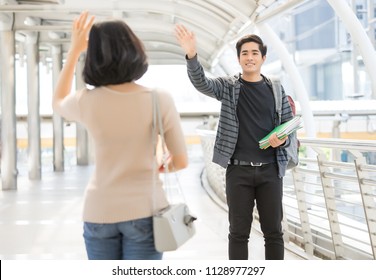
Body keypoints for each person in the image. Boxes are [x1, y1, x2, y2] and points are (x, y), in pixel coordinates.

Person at [52, 11, 188, 260]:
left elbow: (58, 101)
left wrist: (74, 51)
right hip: (145, 211)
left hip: (98, 211)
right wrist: (156, 167)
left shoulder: (86, 101)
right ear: (135, 50)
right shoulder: (160, 99)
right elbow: (180, 161)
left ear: (93, 58)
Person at [175, 24, 298, 260]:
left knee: (274, 233)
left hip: (271, 171)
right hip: (238, 171)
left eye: (254, 53)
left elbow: (289, 126)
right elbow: (202, 83)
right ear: (239, 58)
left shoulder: (276, 88)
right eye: (244, 53)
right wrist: (191, 55)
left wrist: (279, 141)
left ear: (263, 58)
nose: (249, 57)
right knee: (238, 233)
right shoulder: (229, 86)